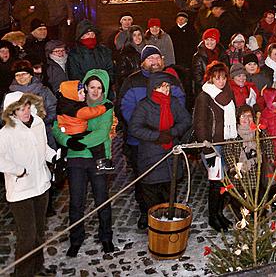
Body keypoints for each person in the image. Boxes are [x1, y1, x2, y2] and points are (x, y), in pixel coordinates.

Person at [53, 69, 116, 256]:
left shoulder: (107, 106)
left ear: (104, 89)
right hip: (75, 159)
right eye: (91, 87)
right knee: (76, 200)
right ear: (85, 87)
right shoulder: (72, 102)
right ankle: (76, 238)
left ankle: (106, 237)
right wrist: (67, 141)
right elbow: (58, 128)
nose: (95, 91)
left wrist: (77, 141)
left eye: (99, 87)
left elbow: (102, 133)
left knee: (101, 199)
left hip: (99, 157)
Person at [0, 92, 56, 277]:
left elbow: (44, 147)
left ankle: (37, 268)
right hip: (21, 190)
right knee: (27, 236)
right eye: (19, 109)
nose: (25, 111)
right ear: (12, 111)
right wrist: (18, 170)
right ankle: (22, 274)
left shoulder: (38, 124)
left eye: (26, 106)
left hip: (41, 185)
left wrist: (54, 157)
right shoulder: (7, 132)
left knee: (39, 232)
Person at [130, 72, 191, 214]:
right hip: (151, 158)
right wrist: (157, 136)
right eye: (161, 87)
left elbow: (186, 120)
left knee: (169, 196)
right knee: (152, 201)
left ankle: (168, 224)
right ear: (153, 88)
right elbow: (135, 128)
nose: (166, 89)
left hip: (170, 158)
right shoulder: (144, 106)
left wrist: (172, 132)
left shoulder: (173, 102)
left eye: (167, 86)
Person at [193, 62, 236, 232]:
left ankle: (220, 213)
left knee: (225, 181)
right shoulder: (204, 97)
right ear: (210, 78)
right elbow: (200, 123)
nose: (221, 82)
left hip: (225, 143)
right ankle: (213, 216)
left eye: (224, 78)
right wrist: (206, 147)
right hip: (211, 146)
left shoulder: (228, 94)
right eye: (217, 78)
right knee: (215, 182)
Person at [67, 20, 115, 93]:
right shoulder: (74, 54)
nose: (91, 36)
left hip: (106, 91)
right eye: (87, 34)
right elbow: (75, 75)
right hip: (85, 94)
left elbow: (111, 70)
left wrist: (103, 84)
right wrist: (90, 87)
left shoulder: (104, 51)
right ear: (81, 36)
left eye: (92, 34)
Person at [192, 28, 222, 94]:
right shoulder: (198, 56)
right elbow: (197, 76)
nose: (209, 42)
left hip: (221, 86)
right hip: (204, 89)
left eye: (212, 40)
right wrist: (209, 86)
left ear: (216, 41)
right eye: (207, 40)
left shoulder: (222, 53)